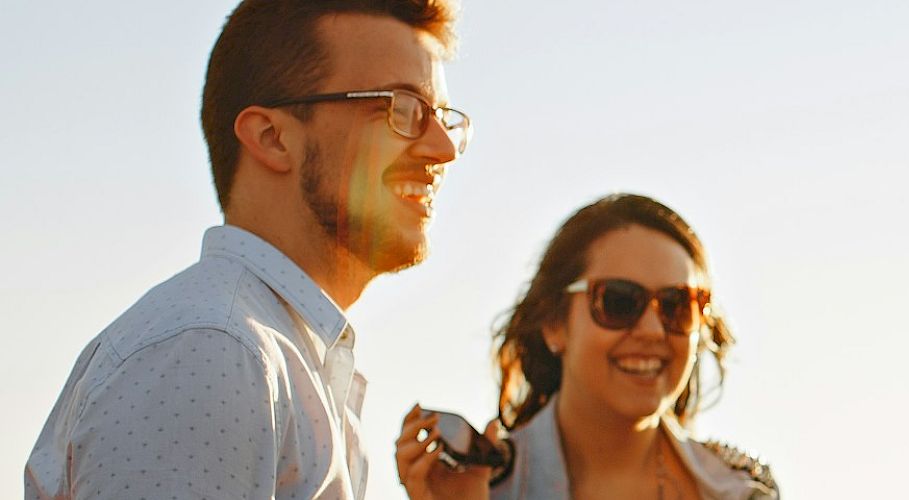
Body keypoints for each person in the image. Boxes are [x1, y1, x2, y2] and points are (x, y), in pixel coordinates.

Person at [24, 0, 466, 497]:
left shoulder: (280, 359)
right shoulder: (212, 351)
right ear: (272, 138)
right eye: (401, 109)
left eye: (444, 118)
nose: (443, 149)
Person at [396, 194, 777, 500]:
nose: (652, 330)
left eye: (678, 306)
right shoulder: (477, 487)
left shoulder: (742, 490)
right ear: (553, 323)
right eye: (619, 301)